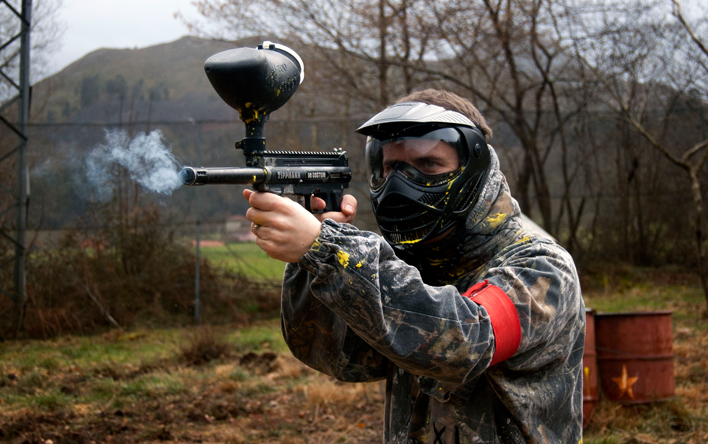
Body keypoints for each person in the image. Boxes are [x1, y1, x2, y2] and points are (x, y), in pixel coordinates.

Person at [243, 89, 585, 444]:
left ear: (474, 168)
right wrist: (313, 262)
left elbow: (468, 343)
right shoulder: (413, 264)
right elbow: (340, 356)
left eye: (428, 165)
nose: (400, 183)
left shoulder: (540, 266)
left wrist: (329, 248)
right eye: (392, 167)